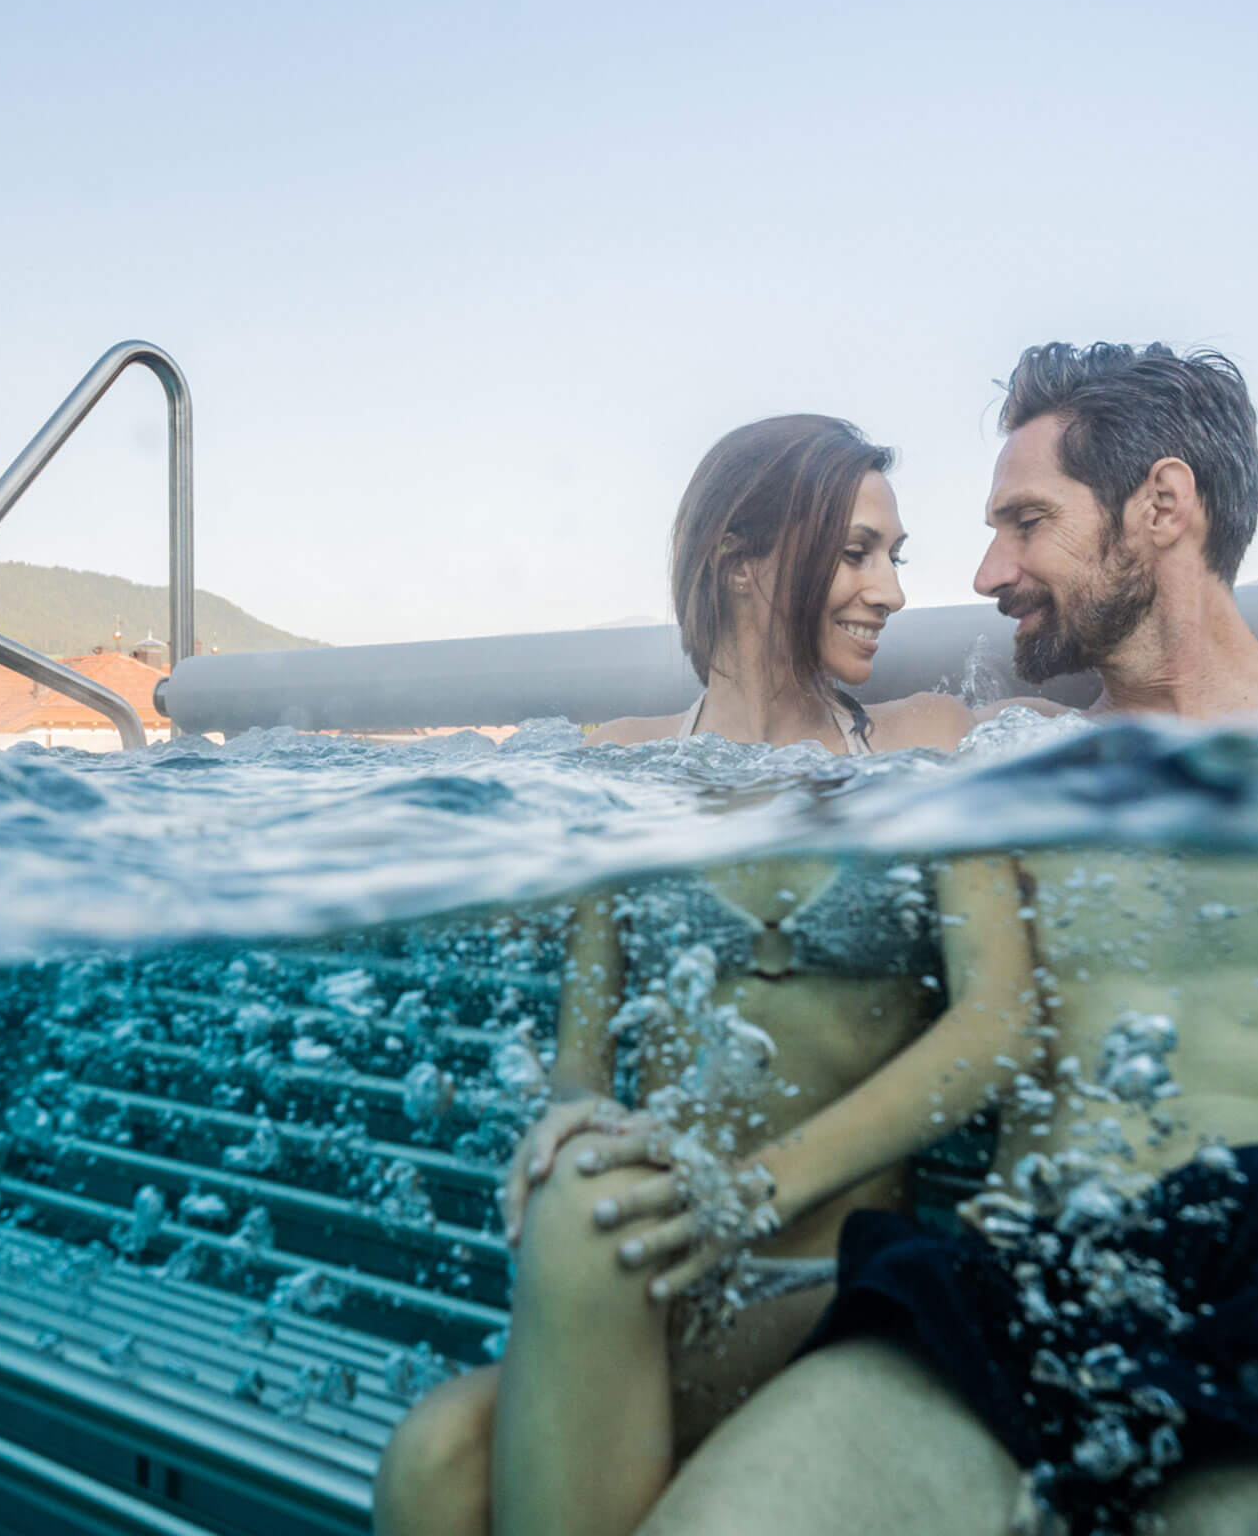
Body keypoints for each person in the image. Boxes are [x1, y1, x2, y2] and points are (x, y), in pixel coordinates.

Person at [631, 345, 1258, 1536]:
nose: (987, 571)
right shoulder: (1004, 754)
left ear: (1163, 507)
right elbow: (767, 742)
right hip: (1017, 1272)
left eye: (1026, 521)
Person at [373, 415, 1043, 1536]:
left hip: (836, 1288)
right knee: (430, 1463)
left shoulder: (926, 745)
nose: (890, 589)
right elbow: (584, 1061)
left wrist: (755, 1185)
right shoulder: (622, 763)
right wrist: (569, 1123)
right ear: (744, 558)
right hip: (665, 1278)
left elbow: (998, 1020)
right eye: (857, 551)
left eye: (895, 555)